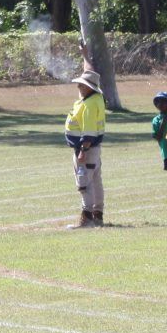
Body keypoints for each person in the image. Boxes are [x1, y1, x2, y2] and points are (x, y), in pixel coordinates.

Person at [64, 70, 107, 226]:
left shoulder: (89, 105)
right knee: (96, 181)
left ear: (90, 87)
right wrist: (85, 55)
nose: (79, 86)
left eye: (82, 84)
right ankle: (98, 215)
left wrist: (83, 151)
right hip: (94, 150)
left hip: (86, 150)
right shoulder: (97, 99)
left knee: (84, 183)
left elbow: (88, 132)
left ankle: (87, 218)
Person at [150, 91, 167, 208]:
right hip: (166, 152)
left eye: (163, 102)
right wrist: (163, 122)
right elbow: (158, 136)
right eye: (158, 102)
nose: (161, 104)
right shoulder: (156, 120)